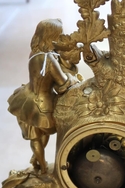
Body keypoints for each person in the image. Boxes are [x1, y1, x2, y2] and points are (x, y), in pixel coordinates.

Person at [8, 19, 78, 174]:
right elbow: (62, 83)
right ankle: (43, 169)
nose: (60, 37)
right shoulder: (49, 59)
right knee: (41, 134)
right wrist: (73, 78)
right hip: (43, 104)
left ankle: (37, 160)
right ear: (51, 36)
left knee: (38, 135)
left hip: (26, 97)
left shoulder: (35, 53)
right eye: (58, 35)